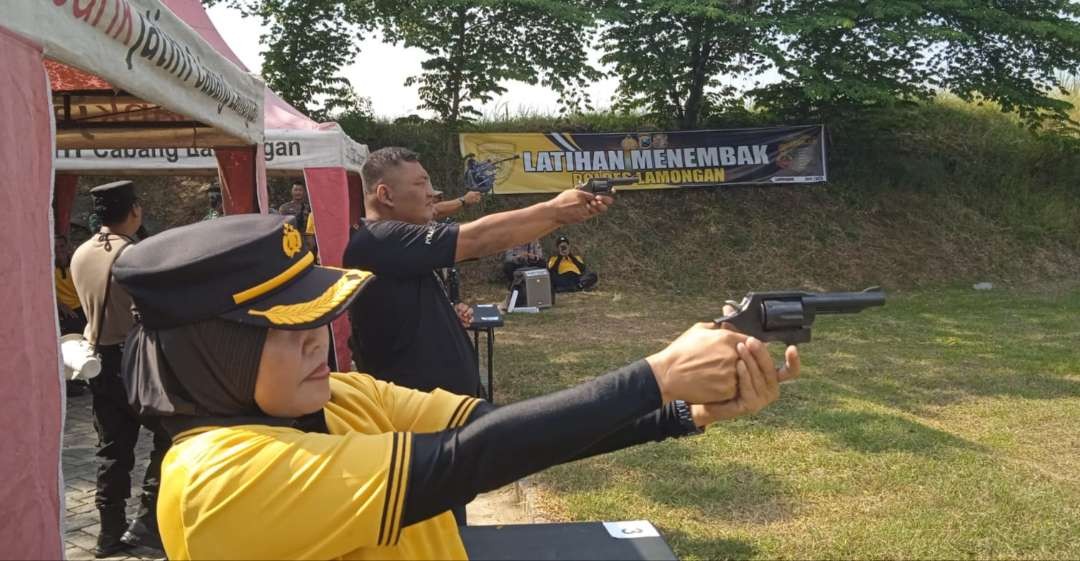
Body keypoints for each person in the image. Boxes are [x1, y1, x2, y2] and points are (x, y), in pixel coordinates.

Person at [113, 213, 801, 561]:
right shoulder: (212, 479)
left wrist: (684, 409)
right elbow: (464, 462)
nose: (319, 338)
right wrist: (655, 374)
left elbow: (503, 429)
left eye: (321, 317)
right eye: (289, 326)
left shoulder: (339, 397)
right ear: (212, 350)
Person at [344, 147, 611, 397]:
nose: (432, 193)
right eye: (420, 183)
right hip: (426, 425)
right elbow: (480, 238)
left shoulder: (389, 245)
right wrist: (556, 212)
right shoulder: (378, 240)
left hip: (444, 411)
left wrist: (444, 313)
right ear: (385, 195)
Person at [70, 180, 171, 557]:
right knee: (169, 438)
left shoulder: (81, 252)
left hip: (96, 357)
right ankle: (146, 523)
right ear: (134, 211)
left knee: (111, 450)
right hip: (132, 358)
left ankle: (108, 534)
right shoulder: (132, 255)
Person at [55, 233, 88, 397]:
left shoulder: (76, 264)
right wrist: (61, 305)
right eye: (56, 248)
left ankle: (84, 376)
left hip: (81, 306)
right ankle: (72, 382)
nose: (59, 250)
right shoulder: (49, 268)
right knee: (70, 342)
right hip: (65, 310)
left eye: (62, 247)